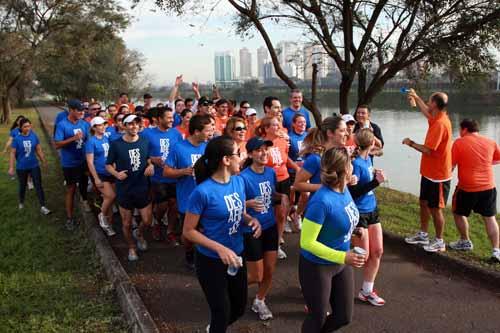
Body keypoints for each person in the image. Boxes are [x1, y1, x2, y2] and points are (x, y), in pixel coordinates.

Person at [183, 135, 261, 333]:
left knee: (239, 308)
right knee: (221, 311)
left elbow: (238, 211)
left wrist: (251, 220)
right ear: (226, 160)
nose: (242, 157)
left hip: (236, 255)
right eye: (238, 154)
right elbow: (188, 231)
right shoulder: (202, 192)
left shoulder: (239, 182)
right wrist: (219, 249)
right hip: (211, 260)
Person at [299, 147, 365, 333]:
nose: (353, 165)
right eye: (350, 163)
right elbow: (307, 242)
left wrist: (355, 229)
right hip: (317, 267)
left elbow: (338, 219)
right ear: (345, 170)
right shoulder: (321, 201)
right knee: (317, 318)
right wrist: (343, 257)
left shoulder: (343, 190)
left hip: (341, 262)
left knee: (344, 316)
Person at [240, 137, 286, 321]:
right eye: (258, 150)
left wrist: (281, 196)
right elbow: (234, 206)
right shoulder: (242, 178)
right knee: (255, 275)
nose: (263, 153)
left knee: (269, 270)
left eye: (265, 149)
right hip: (251, 229)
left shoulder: (270, 172)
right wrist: (247, 203)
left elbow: (270, 194)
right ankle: (230, 285)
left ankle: (259, 300)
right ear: (250, 154)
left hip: (270, 226)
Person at [403, 91, 452, 253]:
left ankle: (439, 241)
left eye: (429, 101)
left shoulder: (440, 124)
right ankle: (423, 234)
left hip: (438, 176)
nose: (427, 103)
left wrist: (410, 143)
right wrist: (416, 98)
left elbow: (428, 150)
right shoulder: (436, 117)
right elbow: (426, 112)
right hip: (428, 172)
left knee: (435, 209)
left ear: (435, 105)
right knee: (423, 203)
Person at [164, 114, 213, 269]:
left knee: (207, 229)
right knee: (189, 234)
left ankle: (206, 257)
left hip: (208, 197)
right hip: (188, 197)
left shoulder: (208, 147)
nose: (210, 134)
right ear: (196, 131)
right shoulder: (179, 147)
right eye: (207, 131)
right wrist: (183, 171)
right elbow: (166, 172)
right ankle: (189, 253)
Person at [448, 119, 500, 262]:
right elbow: (497, 160)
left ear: (464, 129)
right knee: (490, 218)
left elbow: (450, 166)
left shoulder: (459, 142)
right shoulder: (490, 142)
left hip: (467, 187)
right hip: (488, 187)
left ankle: (465, 241)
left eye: (460, 129)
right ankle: (496, 251)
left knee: (458, 212)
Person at [106, 114, 154, 261]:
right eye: (131, 124)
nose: (134, 127)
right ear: (124, 126)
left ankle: (139, 233)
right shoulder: (116, 144)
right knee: (126, 223)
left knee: (146, 221)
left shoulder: (145, 141)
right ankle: (132, 247)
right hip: (125, 189)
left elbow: (148, 158)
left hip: (142, 186)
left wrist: (151, 166)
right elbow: (108, 165)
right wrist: (116, 174)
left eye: (137, 124)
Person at [349, 129, 387, 306]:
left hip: (373, 210)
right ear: (371, 142)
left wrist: (374, 177)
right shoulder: (355, 163)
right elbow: (353, 192)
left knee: (377, 251)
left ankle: (366, 291)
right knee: (361, 257)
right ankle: (325, 278)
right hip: (359, 213)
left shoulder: (368, 158)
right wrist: (375, 182)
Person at [143, 107, 182, 243]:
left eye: (172, 117)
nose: (172, 120)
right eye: (169, 118)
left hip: (174, 175)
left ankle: (170, 230)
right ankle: (157, 222)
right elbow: (141, 152)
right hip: (157, 177)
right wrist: (152, 160)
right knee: (162, 206)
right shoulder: (147, 133)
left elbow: (180, 151)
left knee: (174, 205)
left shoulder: (176, 133)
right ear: (159, 119)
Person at [256, 117, 292, 259]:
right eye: (274, 125)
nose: (278, 128)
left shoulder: (283, 141)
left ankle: (277, 244)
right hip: (268, 181)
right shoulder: (261, 144)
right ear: (266, 128)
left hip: (284, 179)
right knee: (266, 213)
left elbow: (285, 159)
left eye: (279, 125)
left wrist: (296, 167)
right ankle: (263, 242)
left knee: (282, 213)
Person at [54, 99, 91, 230]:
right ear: (71, 110)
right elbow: (57, 144)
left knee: (85, 182)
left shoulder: (84, 124)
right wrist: (73, 139)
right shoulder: (62, 125)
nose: (82, 112)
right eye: (79, 110)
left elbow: (88, 140)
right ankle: (69, 218)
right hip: (69, 163)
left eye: (83, 110)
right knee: (71, 189)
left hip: (83, 160)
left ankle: (85, 200)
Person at [294, 116, 348, 196]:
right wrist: (325, 188)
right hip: (320, 204)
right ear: (329, 133)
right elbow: (298, 185)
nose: (347, 133)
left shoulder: (339, 154)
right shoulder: (315, 158)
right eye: (342, 130)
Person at [8, 118, 51, 215]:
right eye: (25, 127)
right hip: (21, 167)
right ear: (20, 127)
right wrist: (11, 167)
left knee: (38, 185)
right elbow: (12, 153)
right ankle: (21, 202)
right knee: (22, 185)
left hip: (34, 165)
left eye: (29, 126)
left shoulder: (34, 136)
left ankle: (43, 206)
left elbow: (38, 150)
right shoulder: (17, 139)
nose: (27, 128)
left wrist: (43, 161)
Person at [85, 116, 116, 237]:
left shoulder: (107, 138)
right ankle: (101, 215)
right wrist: (96, 178)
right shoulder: (91, 142)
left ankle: (109, 225)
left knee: (111, 200)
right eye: (99, 125)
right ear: (94, 127)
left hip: (111, 172)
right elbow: (90, 162)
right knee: (110, 196)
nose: (102, 127)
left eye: (104, 124)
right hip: (100, 173)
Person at [288, 113, 309, 231]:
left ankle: (298, 215)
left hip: (306, 171)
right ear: (294, 124)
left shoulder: (308, 136)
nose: (302, 124)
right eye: (300, 122)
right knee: (290, 199)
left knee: (306, 195)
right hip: (292, 171)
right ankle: (287, 217)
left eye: (304, 122)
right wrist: (295, 165)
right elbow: (285, 155)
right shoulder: (289, 137)